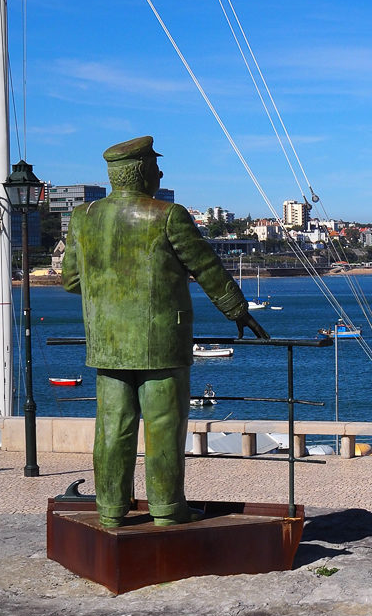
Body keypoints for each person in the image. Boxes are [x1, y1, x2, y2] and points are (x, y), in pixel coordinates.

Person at [63, 136, 269, 528]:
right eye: (156, 167)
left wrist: (111, 287)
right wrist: (237, 311)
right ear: (142, 172)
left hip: (107, 344)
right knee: (163, 428)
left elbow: (72, 280)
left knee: (112, 429)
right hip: (161, 344)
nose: (161, 173)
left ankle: (110, 509)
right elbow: (207, 268)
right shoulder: (168, 215)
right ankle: (167, 508)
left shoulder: (83, 217)